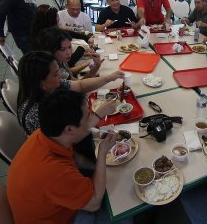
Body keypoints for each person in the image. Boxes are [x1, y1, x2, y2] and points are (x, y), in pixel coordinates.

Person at [8, 89, 118, 223]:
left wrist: (101, 167)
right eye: (88, 116)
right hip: (63, 218)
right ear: (69, 129)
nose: (90, 121)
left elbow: (76, 159)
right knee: (121, 210)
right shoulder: (53, 172)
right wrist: (102, 155)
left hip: (53, 205)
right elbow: (94, 203)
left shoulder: (44, 135)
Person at [17, 51, 122, 136]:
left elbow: (80, 85)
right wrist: (98, 114)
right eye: (55, 74)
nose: (60, 77)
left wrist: (108, 78)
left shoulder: (52, 86)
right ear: (40, 82)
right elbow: (70, 138)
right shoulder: (36, 113)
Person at [34, 27, 102, 80]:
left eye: (69, 47)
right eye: (62, 49)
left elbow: (69, 72)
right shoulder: (55, 70)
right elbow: (79, 86)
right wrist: (96, 67)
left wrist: (89, 65)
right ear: (50, 50)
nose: (69, 52)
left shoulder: (60, 60)